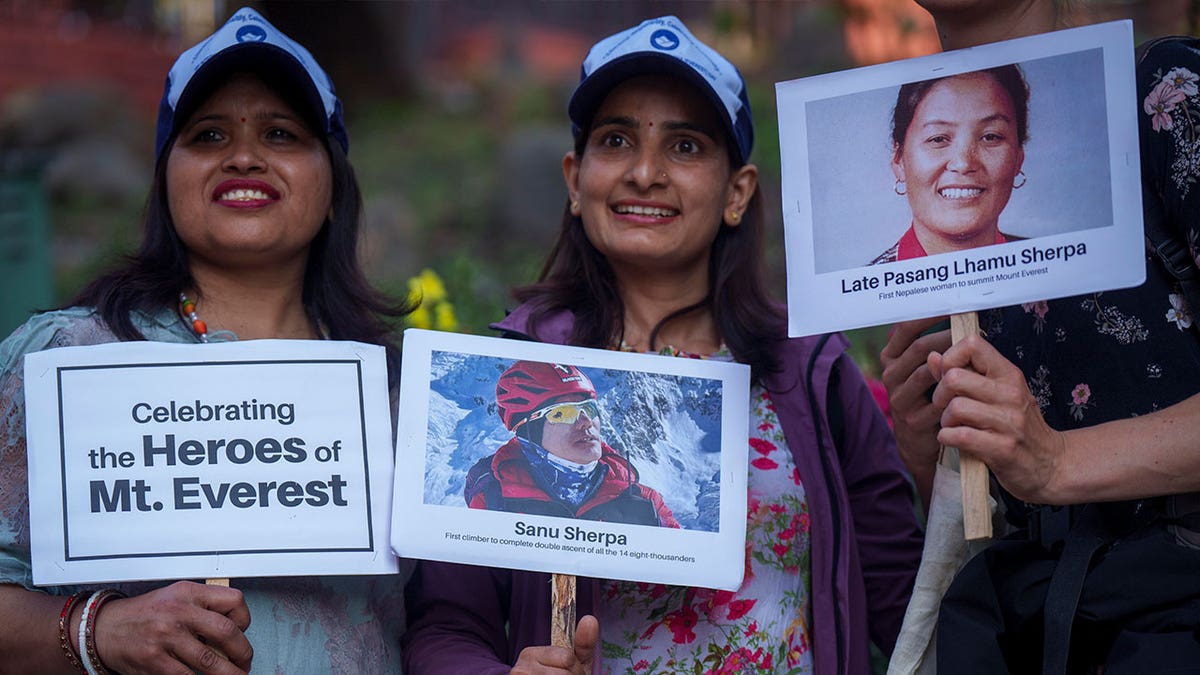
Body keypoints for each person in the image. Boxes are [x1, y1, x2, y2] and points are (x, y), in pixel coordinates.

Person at [404, 15, 923, 675]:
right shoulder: (516, 376)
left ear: (738, 192)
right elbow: (445, 625)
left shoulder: (812, 370)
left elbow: (910, 607)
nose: (645, 172)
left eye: (685, 146)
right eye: (616, 140)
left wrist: (940, 468)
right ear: (573, 178)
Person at [0, 8, 411, 673]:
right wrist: (97, 628)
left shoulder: (395, 397)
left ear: (334, 186)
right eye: (208, 133)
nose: (243, 156)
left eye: (280, 133)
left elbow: (436, 623)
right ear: (166, 180)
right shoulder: (71, 358)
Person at [881, 1, 1200, 671]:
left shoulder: (1168, 96)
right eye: (938, 140)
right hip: (1020, 627)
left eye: (993, 136)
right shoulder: (951, 234)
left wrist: (1056, 461)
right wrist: (930, 452)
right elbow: (999, 498)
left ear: (1020, 150)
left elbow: (1044, 459)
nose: (963, 159)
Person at [464, 360, 679, 527]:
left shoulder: (644, 502)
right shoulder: (493, 497)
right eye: (563, 413)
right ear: (530, 431)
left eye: (590, 409)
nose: (586, 422)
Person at [870, 65, 1029, 264]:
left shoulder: (1051, 269)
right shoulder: (863, 293)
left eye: (990, 136)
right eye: (938, 139)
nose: (963, 163)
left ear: (1018, 157)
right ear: (899, 159)